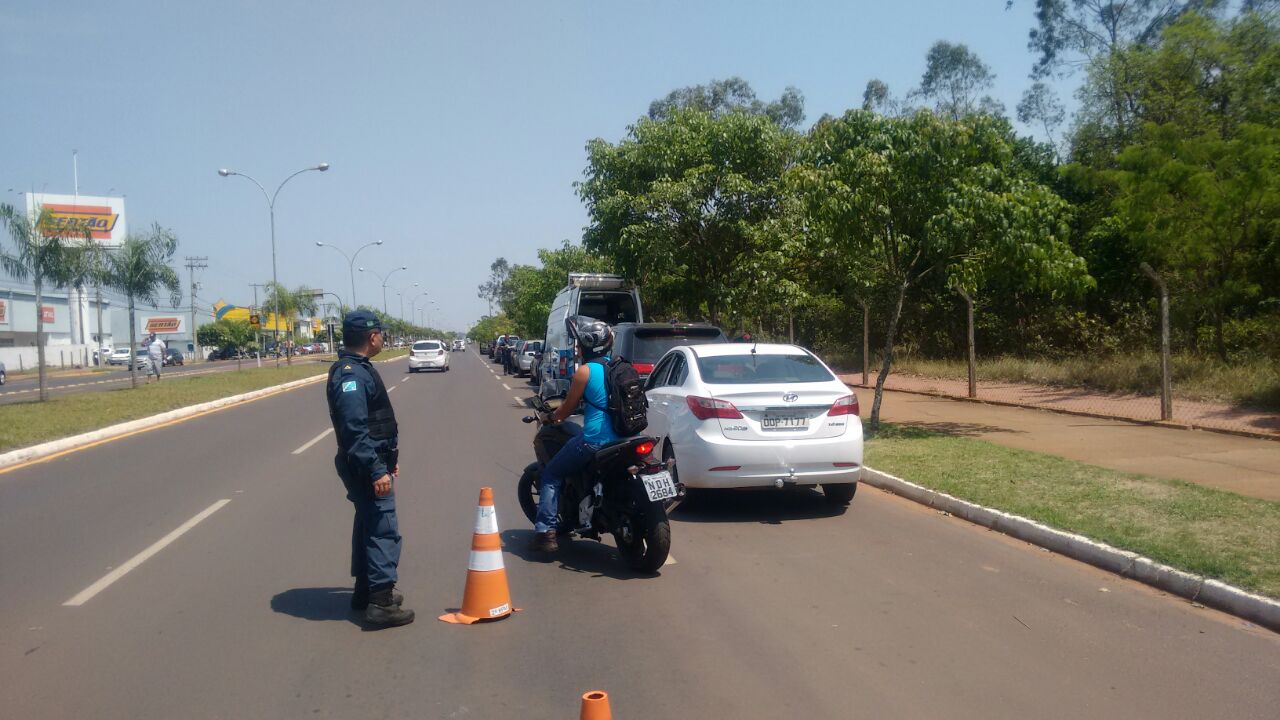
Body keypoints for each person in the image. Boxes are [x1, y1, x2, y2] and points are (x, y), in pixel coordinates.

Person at [326, 310, 414, 627]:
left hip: (372, 460)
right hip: (365, 466)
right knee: (382, 528)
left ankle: (365, 591)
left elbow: (374, 426)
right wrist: (376, 469)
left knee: (368, 523)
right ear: (372, 337)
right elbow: (354, 431)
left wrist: (388, 459)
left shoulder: (359, 368)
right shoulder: (351, 375)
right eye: (381, 334)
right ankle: (381, 602)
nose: (383, 338)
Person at [531, 316, 622, 553]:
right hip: (627, 438)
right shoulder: (621, 366)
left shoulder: (585, 372)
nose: (578, 349)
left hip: (595, 441)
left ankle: (546, 533)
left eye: (580, 344)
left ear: (589, 346)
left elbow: (566, 410)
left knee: (551, 474)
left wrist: (550, 417)